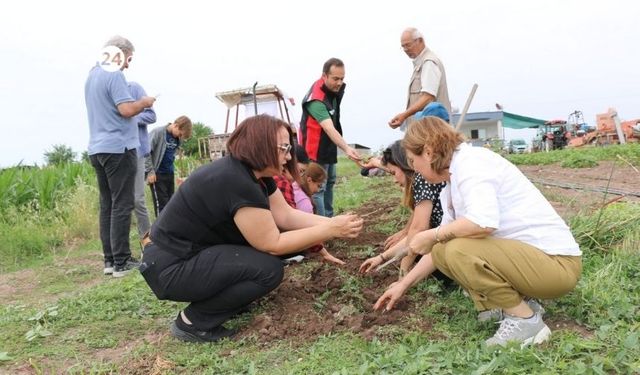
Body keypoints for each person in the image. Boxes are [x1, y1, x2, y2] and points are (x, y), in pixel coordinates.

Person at [140, 114, 364, 343]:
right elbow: (272, 244)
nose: (288, 156)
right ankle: (192, 322)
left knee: (283, 250)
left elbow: (286, 215)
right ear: (261, 145)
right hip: (171, 266)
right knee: (268, 269)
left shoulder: (256, 174)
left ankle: (229, 301)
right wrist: (330, 230)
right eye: (284, 148)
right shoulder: (236, 180)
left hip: (186, 257)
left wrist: (334, 222)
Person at [367, 117, 582, 347]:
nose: (414, 169)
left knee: (457, 248)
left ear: (428, 153)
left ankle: (525, 320)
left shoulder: (472, 165)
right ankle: (514, 305)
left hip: (556, 266)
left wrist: (432, 235)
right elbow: (437, 249)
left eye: (412, 160)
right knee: (443, 249)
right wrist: (403, 285)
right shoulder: (452, 182)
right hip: (534, 264)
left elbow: (482, 223)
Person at [84, 35, 155, 277]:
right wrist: (144, 102)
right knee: (123, 204)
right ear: (120, 53)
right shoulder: (114, 74)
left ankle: (110, 261)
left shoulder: (92, 75)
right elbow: (126, 109)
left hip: (97, 148)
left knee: (107, 205)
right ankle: (123, 262)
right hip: (118, 148)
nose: (128, 65)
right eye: (129, 59)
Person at [299, 57, 362, 217]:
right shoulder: (316, 99)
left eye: (342, 78)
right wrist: (347, 148)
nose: (339, 82)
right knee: (319, 188)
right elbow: (328, 127)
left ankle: (329, 217)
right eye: (335, 78)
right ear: (324, 76)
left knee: (331, 182)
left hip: (328, 147)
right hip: (314, 151)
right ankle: (322, 226)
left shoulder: (332, 89)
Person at [389, 28, 451, 130]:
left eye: (408, 45)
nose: (406, 50)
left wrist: (404, 115)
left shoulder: (428, 62)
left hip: (433, 131)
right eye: (403, 47)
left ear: (420, 41)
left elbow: (428, 97)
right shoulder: (421, 64)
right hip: (423, 130)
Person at [294, 162, 345, 265]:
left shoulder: (295, 185)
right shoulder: (304, 202)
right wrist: (324, 253)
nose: (318, 190)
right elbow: (309, 231)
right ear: (309, 180)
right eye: (318, 185)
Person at [146, 115, 193, 216]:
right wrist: (150, 172)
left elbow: (173, 155)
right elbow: (146, 152)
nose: (180, 137)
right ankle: (160, 231)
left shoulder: (177, 138)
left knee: (171, 204)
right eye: (180, 134)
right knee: (161, 207)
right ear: (176, 125)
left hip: (169, 174)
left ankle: (169, 230)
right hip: (157, 175)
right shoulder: (158, 132)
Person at [128, 81, 156, 241]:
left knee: (138, 198)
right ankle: (120, 252)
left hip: (137, 150)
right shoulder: (108, 92)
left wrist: (130, 116)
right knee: (121, 201)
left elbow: (151, 115)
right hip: (118, 151)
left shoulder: (134, 88)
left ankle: (148, 242)